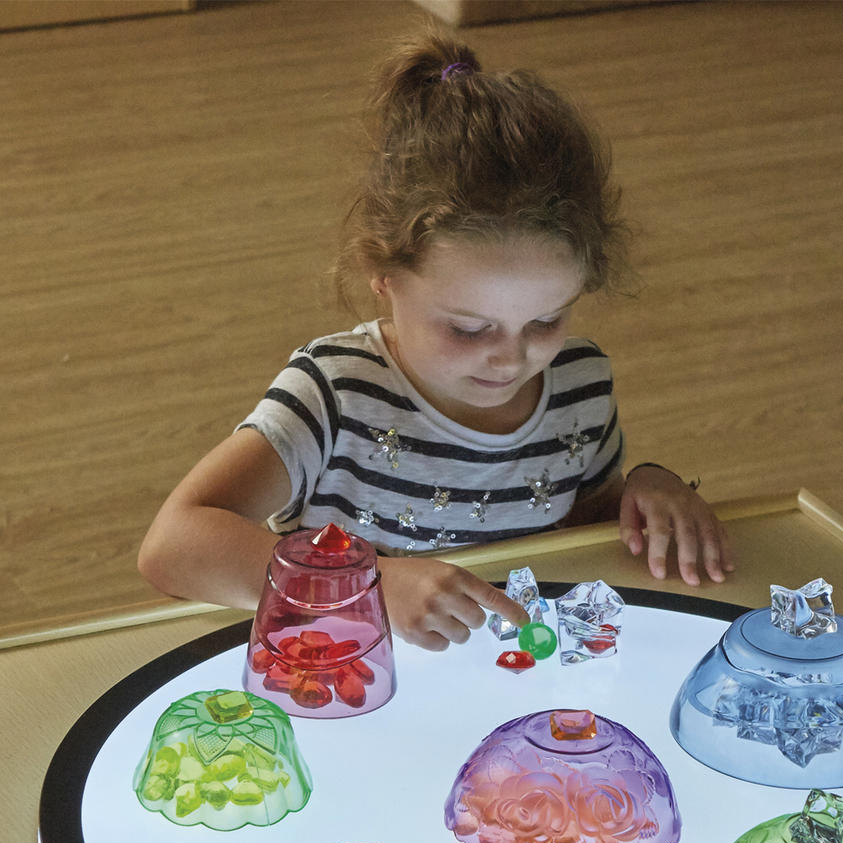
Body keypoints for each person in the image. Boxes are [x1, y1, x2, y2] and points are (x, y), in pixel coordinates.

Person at [139, 31, 733, 651]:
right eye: (468, 328)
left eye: (546, 321)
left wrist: (647, 490)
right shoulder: (334, 394)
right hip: (347, 674)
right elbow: (172, 548)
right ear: (384, 276)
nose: (512, 357)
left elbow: (584, 533)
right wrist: (364, 586)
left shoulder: (580, 387)